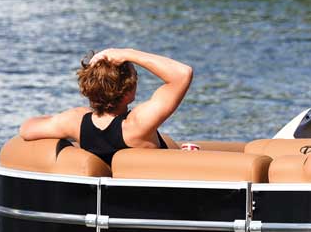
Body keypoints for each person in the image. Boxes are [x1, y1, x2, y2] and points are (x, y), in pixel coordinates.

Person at [19, 48, 194, 165]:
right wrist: (128, 53)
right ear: (127, 94)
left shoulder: (75, 122)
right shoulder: (137, 125)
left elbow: (27, 129)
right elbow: (182, 74)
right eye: (136, 77)